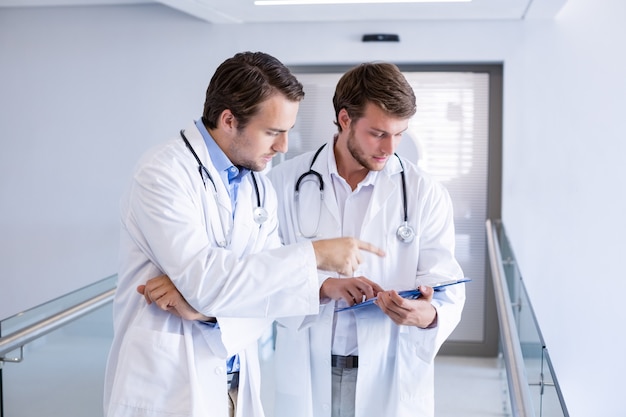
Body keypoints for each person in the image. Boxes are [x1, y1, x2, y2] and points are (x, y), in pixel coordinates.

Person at [102, 51, 384, 417]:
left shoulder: (257, 186)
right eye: (272, 132)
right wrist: (313, 255)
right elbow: (209, 282)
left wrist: (207, 312)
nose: (283, 147)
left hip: (233, 386)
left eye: (287, 133)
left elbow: (263, 292)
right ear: (229, 120)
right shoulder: (163, 174)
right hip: (168, 386)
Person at [265, 62, 466, 417]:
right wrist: (325, 286)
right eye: (378, 133)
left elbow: (445, 283)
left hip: (390, 370)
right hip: (310, 365)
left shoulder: (424, 192)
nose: (390, 147)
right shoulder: (282, 185)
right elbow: (262, 271)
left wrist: (428, 313)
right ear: (345, 119)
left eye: (400, 134)